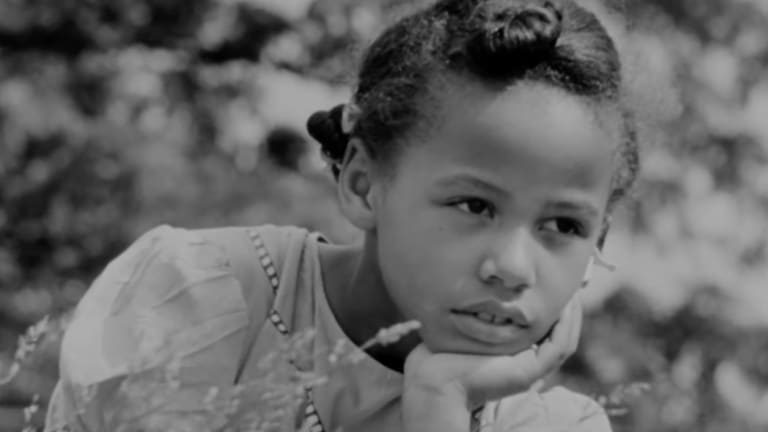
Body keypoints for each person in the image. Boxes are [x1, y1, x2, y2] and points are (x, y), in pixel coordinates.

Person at [45, 0, 640, 430]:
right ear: (362, 183)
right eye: (474, 205)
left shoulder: (550, 424)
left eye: (564, 227)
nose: (512, 268)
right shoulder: (208, 296)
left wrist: (441, 405)